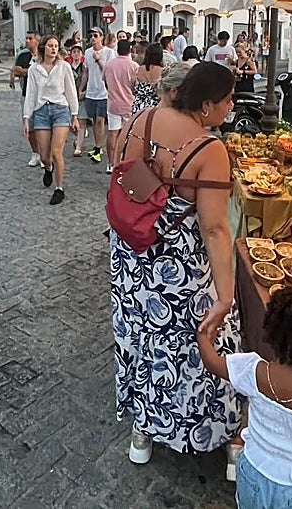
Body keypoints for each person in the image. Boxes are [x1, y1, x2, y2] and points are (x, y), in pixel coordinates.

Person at [111, 62, 240, 466]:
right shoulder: (209, 149)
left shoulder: (137, 122)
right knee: (205, 341)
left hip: (131, 258)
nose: (231, 106)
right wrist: (227, 294)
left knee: (142, 339)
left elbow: (120, 183)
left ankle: (142, 432)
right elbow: (216, 229)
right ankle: (225, 436)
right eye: (226, 100)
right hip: (181, 269)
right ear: (205, 105)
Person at [197, 287, 292, 506]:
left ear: (273, 331)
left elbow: (213, 363)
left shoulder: (252, 369)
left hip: (251, 469)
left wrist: (203, 335)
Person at [23, 36, 81, 205]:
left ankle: (59, 188)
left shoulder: (64, 67)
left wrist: (74, 115)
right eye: (50, 46)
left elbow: (71, 91)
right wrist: (27, 118)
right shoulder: (34, 69)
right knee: (44, 155)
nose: (53, 49)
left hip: (60, 110)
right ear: (43, 48)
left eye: (56, 46)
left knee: (57, 152)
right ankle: (48, 168)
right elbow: (31, 94)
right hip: (41, 111)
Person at [79, 28, 116, 164]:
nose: (93, 38)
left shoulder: (109, 52)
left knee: (100, 120)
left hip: (104, 92)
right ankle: (97, 145)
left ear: (101, 37)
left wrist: (99, 59)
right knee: (94, 120)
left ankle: (98, 147)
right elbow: (85, 72)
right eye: (91, 36)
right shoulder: (88, 52)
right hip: (91, 91)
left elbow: (109, 71)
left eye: (95, 35)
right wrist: (81, 88)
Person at [104, 39, 139, 174]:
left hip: (113, 103)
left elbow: (106, 83)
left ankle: (111, 162)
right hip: (129, 104)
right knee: (128, 135)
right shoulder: (134, 66)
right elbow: (135, 87)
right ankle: (126, 161)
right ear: (130, 50)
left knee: (112, 133)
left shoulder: (109, 65)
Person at [11, 32, 42, 167]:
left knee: (43, 127)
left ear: (37, 41)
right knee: (30, 126)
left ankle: (44, 153)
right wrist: (30, 71)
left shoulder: (43, 55)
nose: (28, 41)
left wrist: (27, 71)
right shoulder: (24, 55)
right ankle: (35, 153)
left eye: (31, 39)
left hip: (42, 95)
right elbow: (16, 70)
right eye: (27, 38)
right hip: (27, 93)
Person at [132, 43, 166, 114]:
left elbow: (132, 87)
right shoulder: (163, 71)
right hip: (156, 106)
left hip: (139, 106)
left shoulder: (138, 70)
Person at [68, 43, 89, 156]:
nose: (76, 54)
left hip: (81, 98)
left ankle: (79, 147)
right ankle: (78, 137)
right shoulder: (67, 67)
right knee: (68, 123)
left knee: (81, 122)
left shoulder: (84, 68)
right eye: (74, 52)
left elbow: (89, 81)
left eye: (78, 52)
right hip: (69, 98)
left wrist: (84, 92)